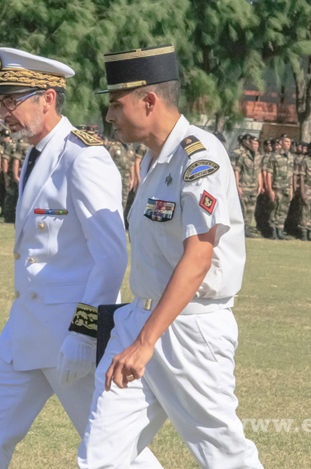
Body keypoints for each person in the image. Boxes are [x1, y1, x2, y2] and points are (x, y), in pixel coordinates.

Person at [0, 47, 161, 469]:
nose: (3, 112)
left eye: (11, 101)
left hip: (70, 340)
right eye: (0, 102)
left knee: (115, 453)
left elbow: (110, 257)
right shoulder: (35, 153)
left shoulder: (83, 157)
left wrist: (84, 334)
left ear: (47, 99)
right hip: (24, 331)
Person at [77, 44, 262, 469]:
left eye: (116, 105)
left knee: (224, 457)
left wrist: (146, 342)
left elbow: (198, 257)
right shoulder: (152, 159)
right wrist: (139, 335)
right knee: (101, 458)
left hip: (189, 330)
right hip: (139, 322)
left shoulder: (200, 157)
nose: (109, 116)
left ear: (148, 101)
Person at [262, 134, 293, 239]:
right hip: (277, 187)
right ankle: (273, 231)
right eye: (286, 142)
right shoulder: (274, 157)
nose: (288, 144)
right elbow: (269, 173)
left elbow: (291, 175)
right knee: (274, 209)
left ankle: (280, 229)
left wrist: (292, 189)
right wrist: (269, 189)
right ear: (281, 143)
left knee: (283, 210)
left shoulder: (291, 157)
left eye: (289, 142)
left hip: (287, 187)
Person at [233, 134, 261, 237]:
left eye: (257, 144)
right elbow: (236, 171)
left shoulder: (257, 156)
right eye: (253, 143)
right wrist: (237, 186)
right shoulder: (242, 155)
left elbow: (259, 171)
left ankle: (247, 228)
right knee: (242, 209)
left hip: (253, 187)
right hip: (243, 185)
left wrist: (260, 185)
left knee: (251, 209)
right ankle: (241, 229)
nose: (255, 145)